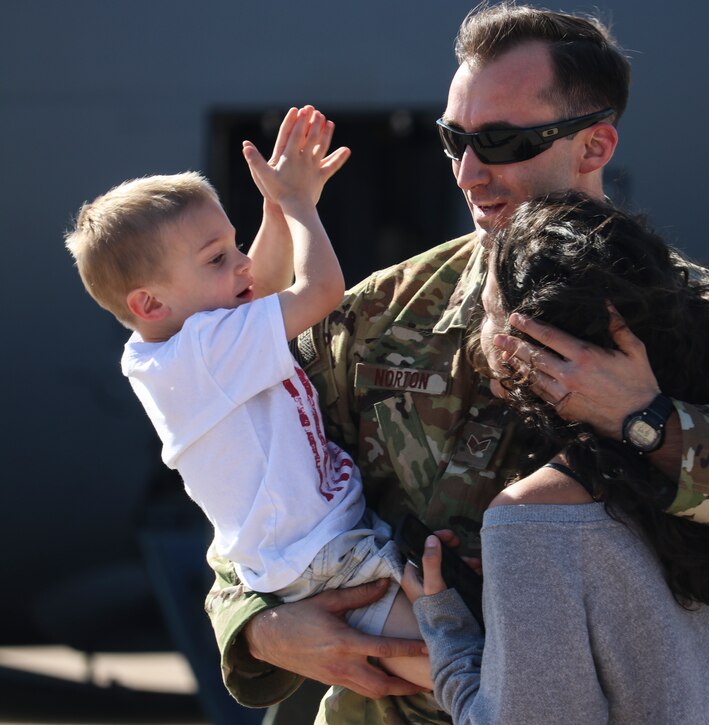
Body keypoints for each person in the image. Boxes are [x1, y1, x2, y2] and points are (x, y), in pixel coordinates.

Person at [204, 5, 709, 724]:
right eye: (454, 139)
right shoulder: (381, 315)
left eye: (501, 141)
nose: (469, 172)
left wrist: (655, 426)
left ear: (595, 146)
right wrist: (260, 626)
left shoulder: (707, 326)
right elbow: (248, 487)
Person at [63, 108, 432, 704]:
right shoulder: (204, 351)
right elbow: (317, 291)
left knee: (468, 660)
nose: (239, 265)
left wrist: (278, 208)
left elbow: (255, 281)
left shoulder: (176, 346)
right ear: (150, 302)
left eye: (233, 245)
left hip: (322, 549)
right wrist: (302, 210)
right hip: (322, 562)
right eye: (216, 259)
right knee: (460, 674)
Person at [400, 192, 709, 723]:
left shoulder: (531, 519)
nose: (476, 330)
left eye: (488, 311)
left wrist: (448, 632)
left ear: (538, 349)